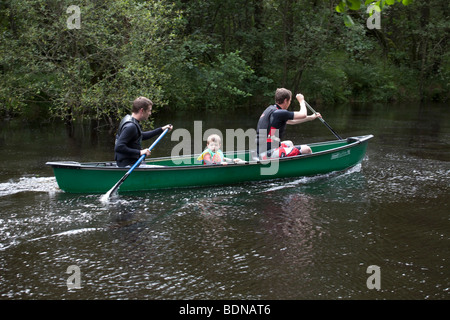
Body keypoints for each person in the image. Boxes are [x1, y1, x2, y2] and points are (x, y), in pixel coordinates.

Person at [256, 88, 321, 159]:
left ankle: (291, 165)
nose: (289, 103)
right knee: (307, 149)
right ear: (285, 100)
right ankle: (310, 167)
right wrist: (301, 101)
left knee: (289, 143)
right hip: (268, 153)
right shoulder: (280, 113)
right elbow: (303, 114)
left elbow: (291, 121)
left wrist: (311, 118)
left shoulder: (271, 110)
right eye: (289, 101)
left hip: (262, 150)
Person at [114, 96, 173, 167]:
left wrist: (161, 129)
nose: (150, 113)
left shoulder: (129, 119)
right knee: (164, 169)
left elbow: (140, 136)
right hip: (129, 166)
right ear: (142, 110)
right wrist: (140, 152)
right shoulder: (131, 126)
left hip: (132, 163)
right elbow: (119, 147)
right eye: (149, 110)